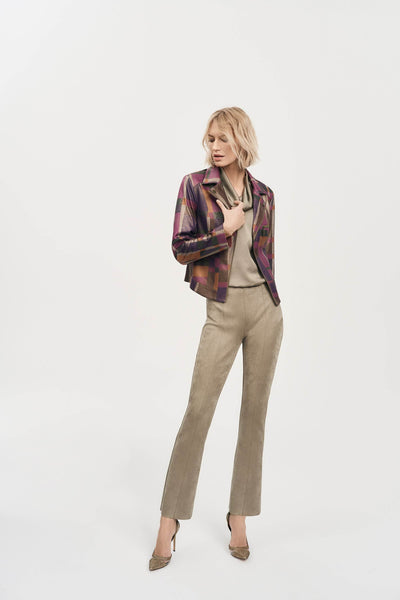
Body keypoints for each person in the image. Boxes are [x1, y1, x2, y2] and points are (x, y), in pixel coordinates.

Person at [149, 107, 284, 570]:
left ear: (242, 140)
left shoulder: (264, 195)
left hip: (265, 310)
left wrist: (272, 300)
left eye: (223, 138)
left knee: (254, 415)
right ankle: (169, 520)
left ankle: (239, 517)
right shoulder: (195, 186)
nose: (215, 146)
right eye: (210, 139)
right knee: (198, 411)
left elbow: (266, 256)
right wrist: (223, 232)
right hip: (222, 310)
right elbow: (180, 248)